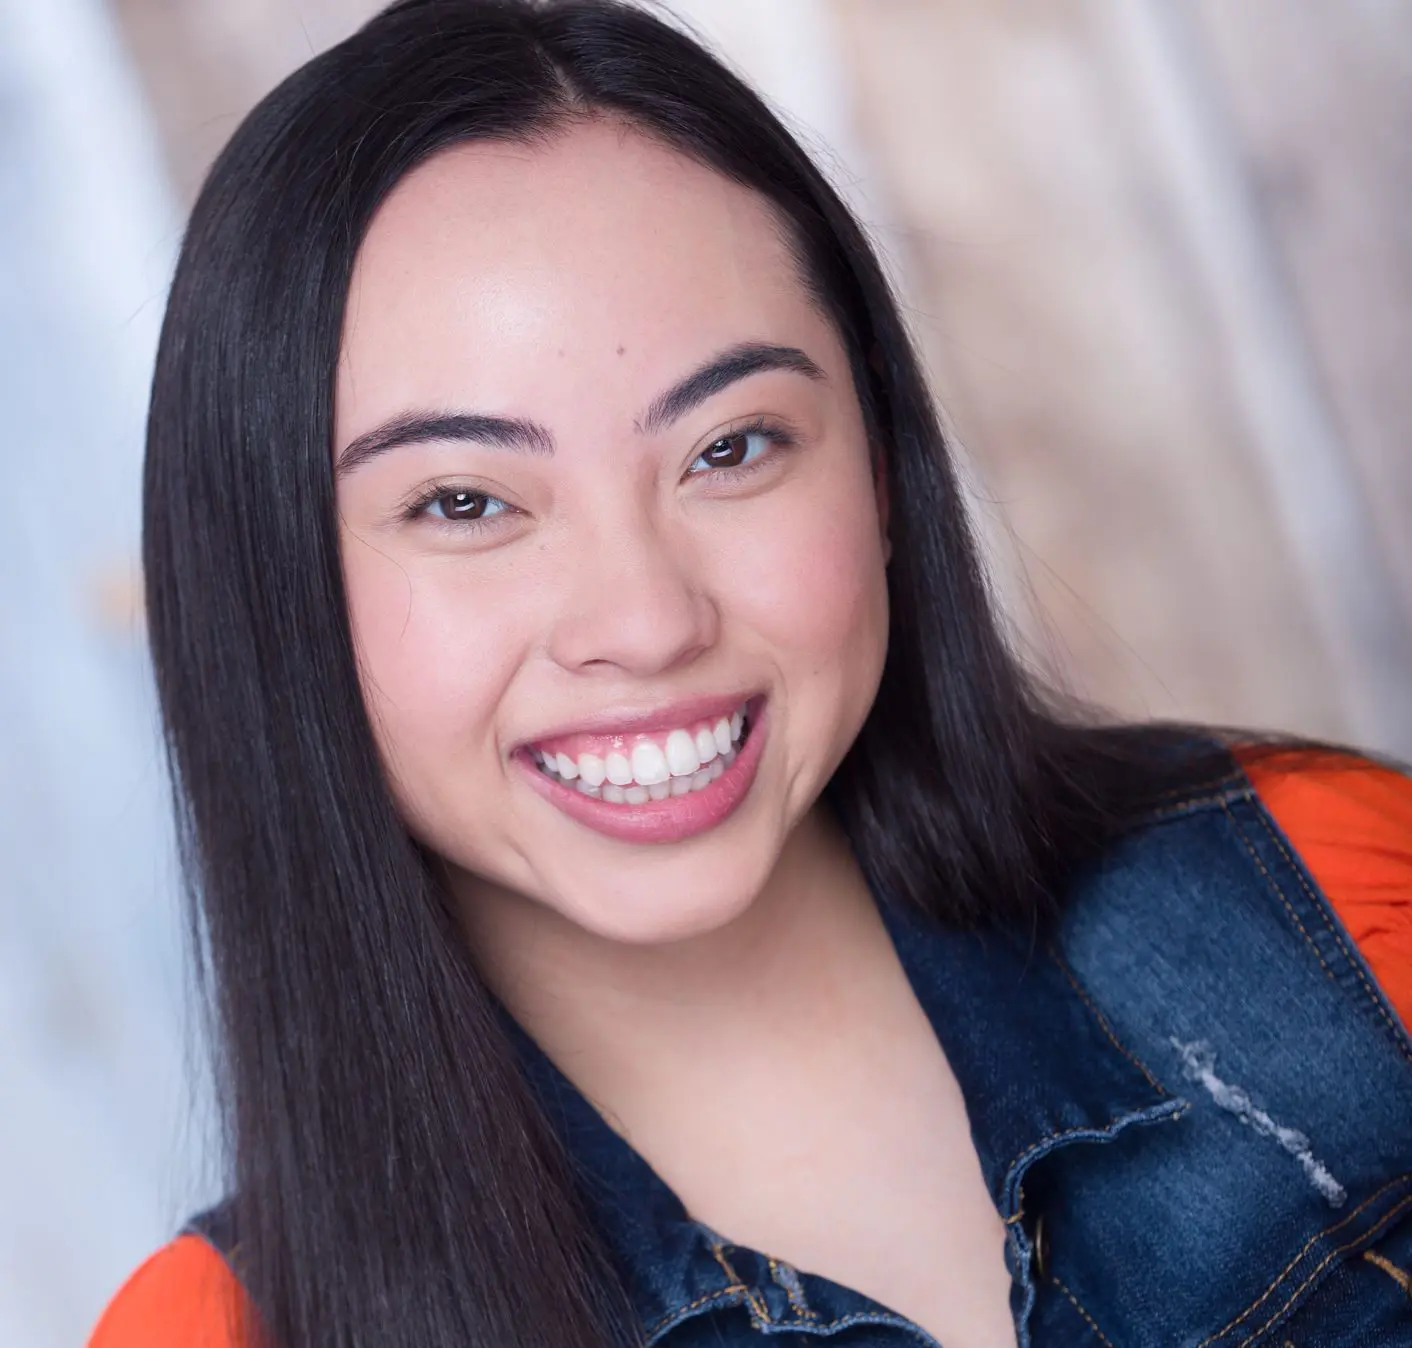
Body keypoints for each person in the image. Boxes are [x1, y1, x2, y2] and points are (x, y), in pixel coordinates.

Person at [88, 1, 1412, 1345]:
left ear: (882, 469)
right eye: (465, 503)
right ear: (276, 590)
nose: (648, 618)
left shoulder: (1334, 902)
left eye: (730, 449)